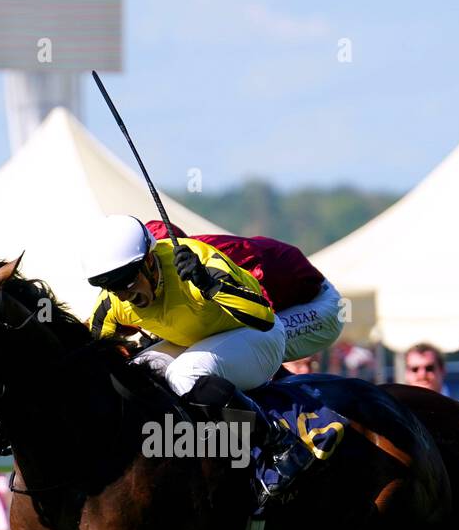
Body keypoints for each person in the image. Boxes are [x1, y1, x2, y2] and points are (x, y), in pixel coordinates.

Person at [80, 214, 311, 505]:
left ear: (150, 261)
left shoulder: (199, 259)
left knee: (184, 374)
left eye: (126, 282)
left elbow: (264, 317)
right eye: (112, 287)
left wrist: (211, 286)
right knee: (137, 375)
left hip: (257, 337)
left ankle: (279, 445)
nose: (124, 296)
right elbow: (89, 359)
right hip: (197, 342)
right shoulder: (114, 302)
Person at [144, 221, 343, 362]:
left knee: (239, 351)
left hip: (317, 306)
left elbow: (259, 314)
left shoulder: (219, 259)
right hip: (282, 304)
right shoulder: (179, 262)